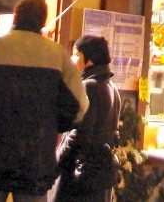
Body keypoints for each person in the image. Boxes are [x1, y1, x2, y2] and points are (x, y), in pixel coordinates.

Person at [0, 0, 89, 202]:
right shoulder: (58, 56)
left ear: (16, 16)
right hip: (36, 160)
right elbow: (78, 110)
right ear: (43, 21)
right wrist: (53, 124)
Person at [50, 35, 120, 201]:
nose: (72, 59)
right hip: (99, 175)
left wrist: (57, 160)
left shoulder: (89, 87)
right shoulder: (111, 87)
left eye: (76, 54)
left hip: (80, 176)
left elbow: (79, 133)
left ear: (89, 60)